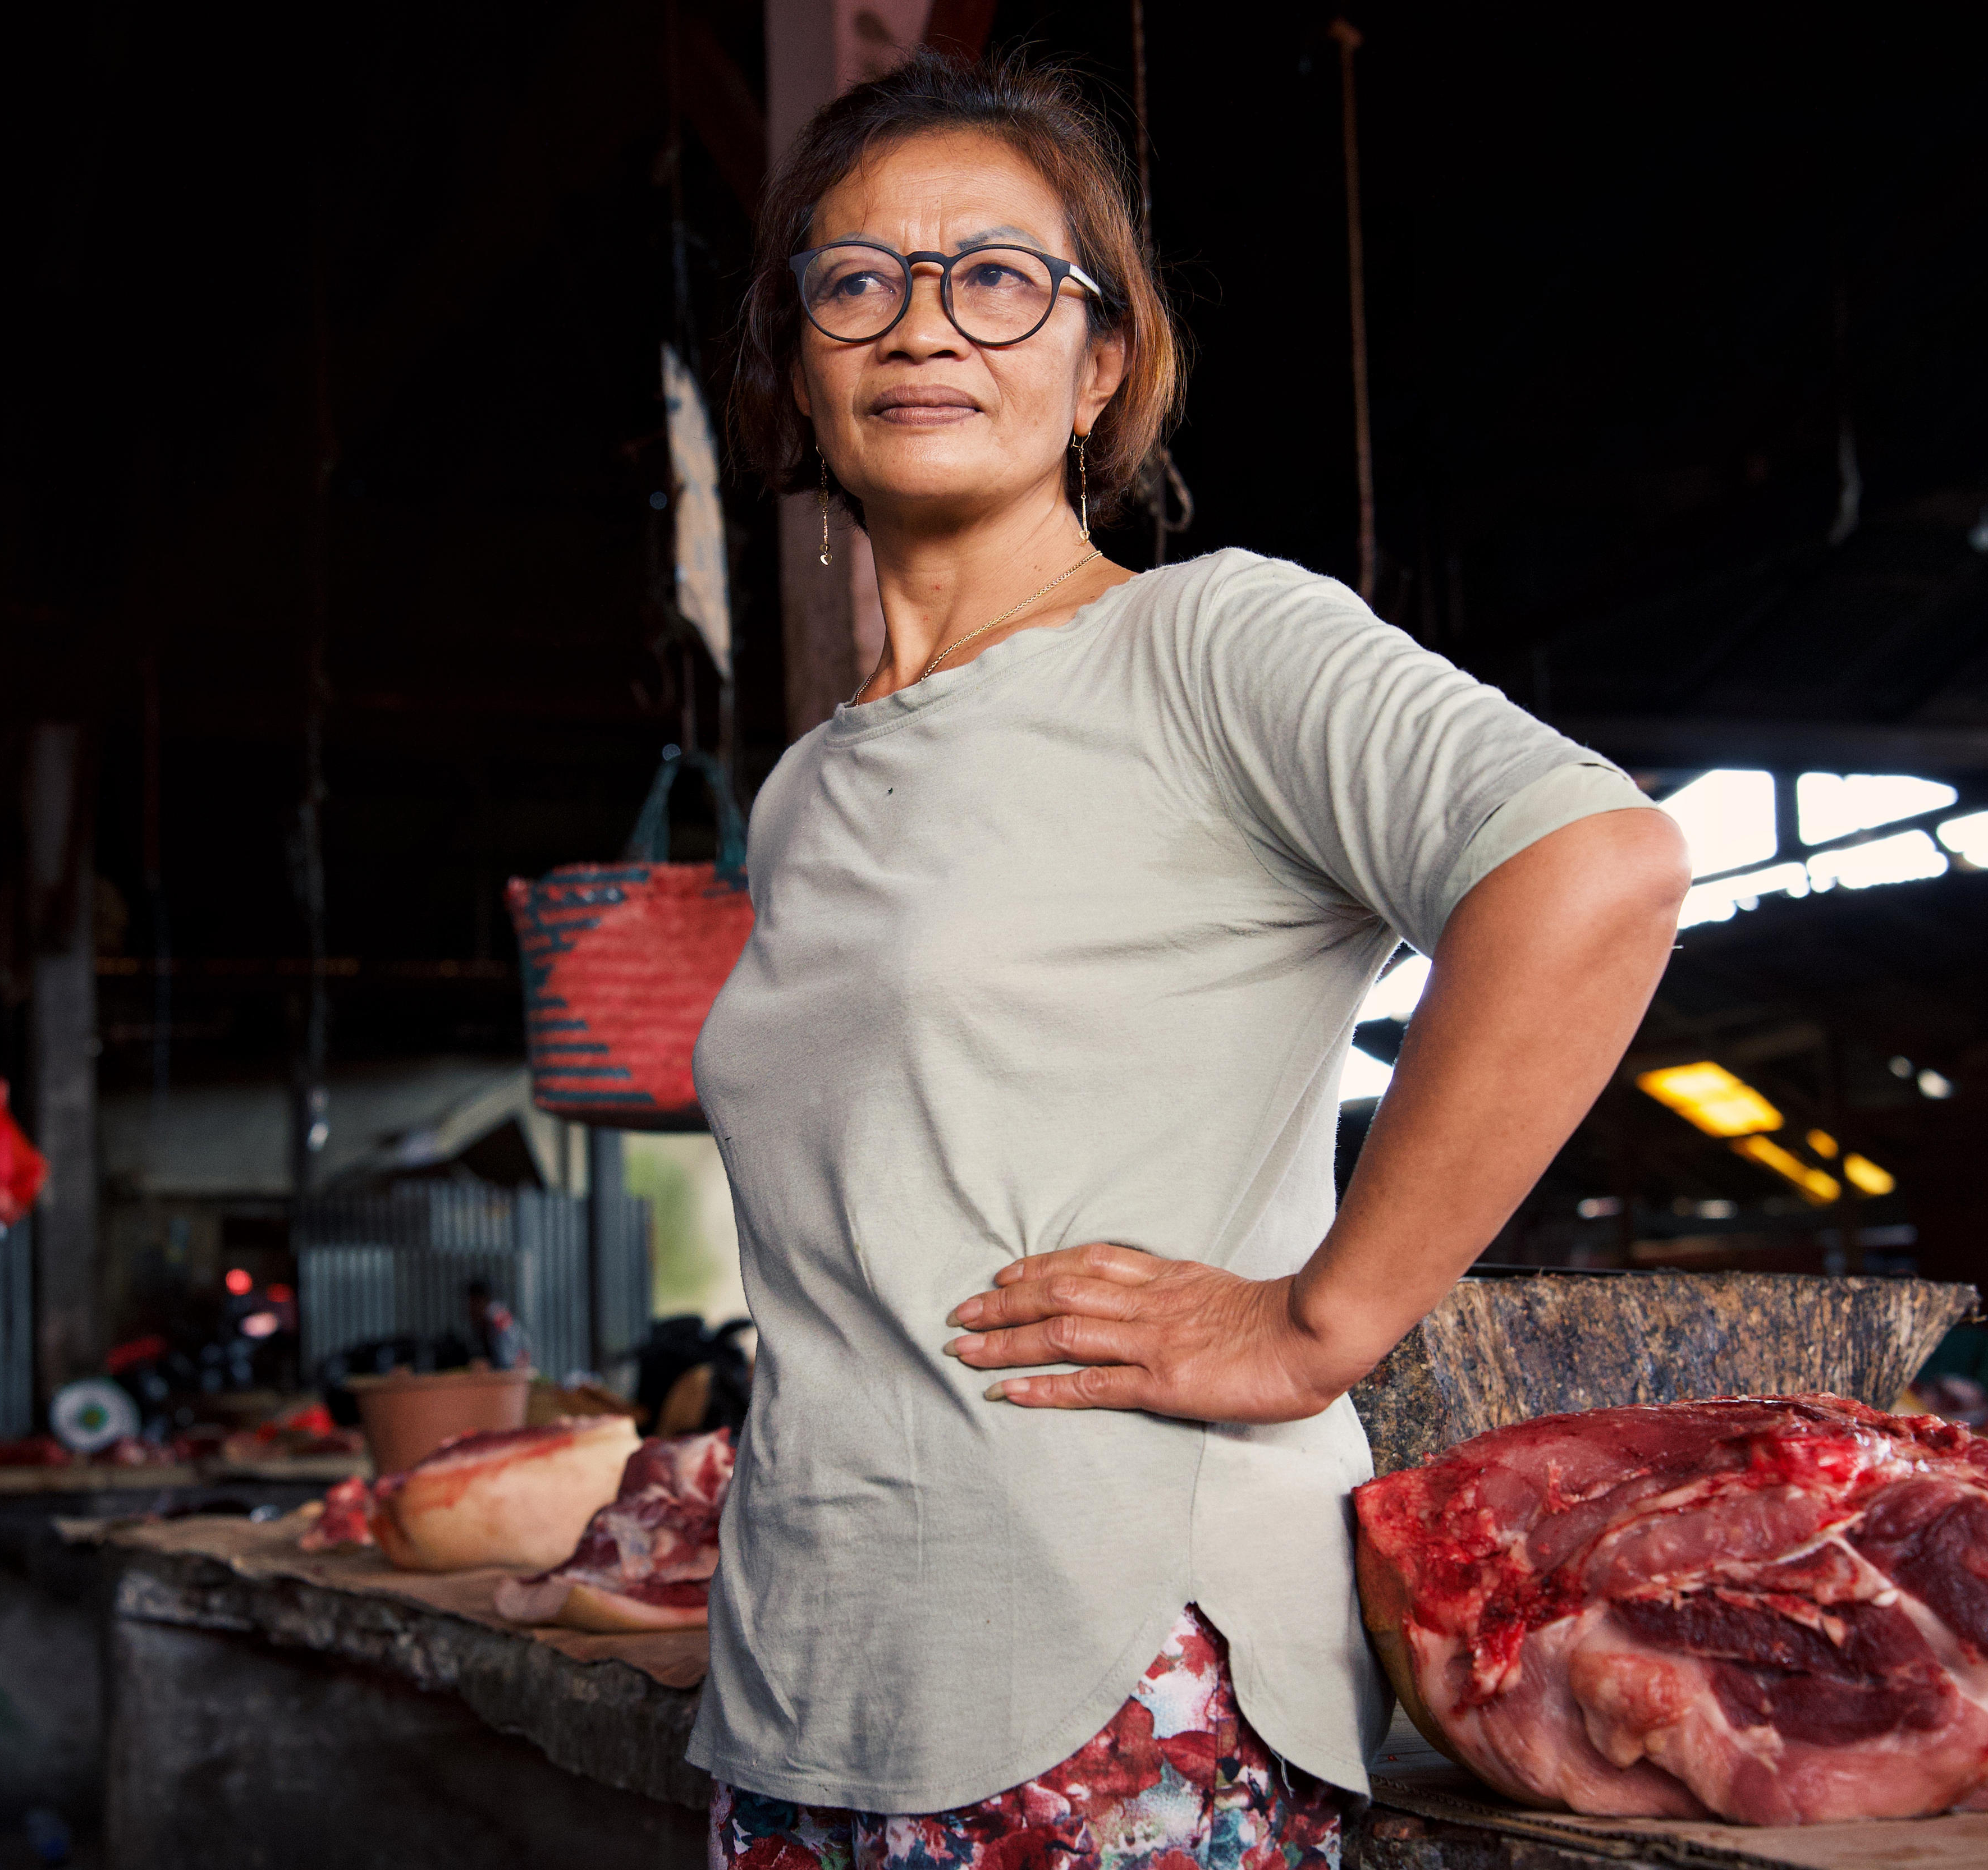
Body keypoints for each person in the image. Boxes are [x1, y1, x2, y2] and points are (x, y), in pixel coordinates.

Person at [688, 51, 1692, 1867]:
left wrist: (1325, 1320)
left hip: (1111, 1693)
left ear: (1104, 365)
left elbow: (1595, 870)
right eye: (858, 280)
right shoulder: (811, 786)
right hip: (811, 1684)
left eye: (998, 276)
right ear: (799, 364)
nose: (925, 325)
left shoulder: (1211, 641)